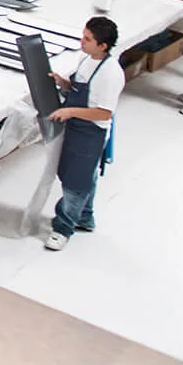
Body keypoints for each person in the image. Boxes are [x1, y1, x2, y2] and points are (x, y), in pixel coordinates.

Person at [45, 15, 124, 251]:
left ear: (103, 45)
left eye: (88, 39)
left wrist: (70, 111)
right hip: (78, 126)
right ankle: (85, 217)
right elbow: (80, 89)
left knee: (75, 183)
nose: (82, 42)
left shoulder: (111, 74)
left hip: (91, 133)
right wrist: (62, 83)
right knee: (84, 175)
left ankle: (63, 228)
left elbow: (103, 113)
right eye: (84, 36)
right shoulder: (87, 60)